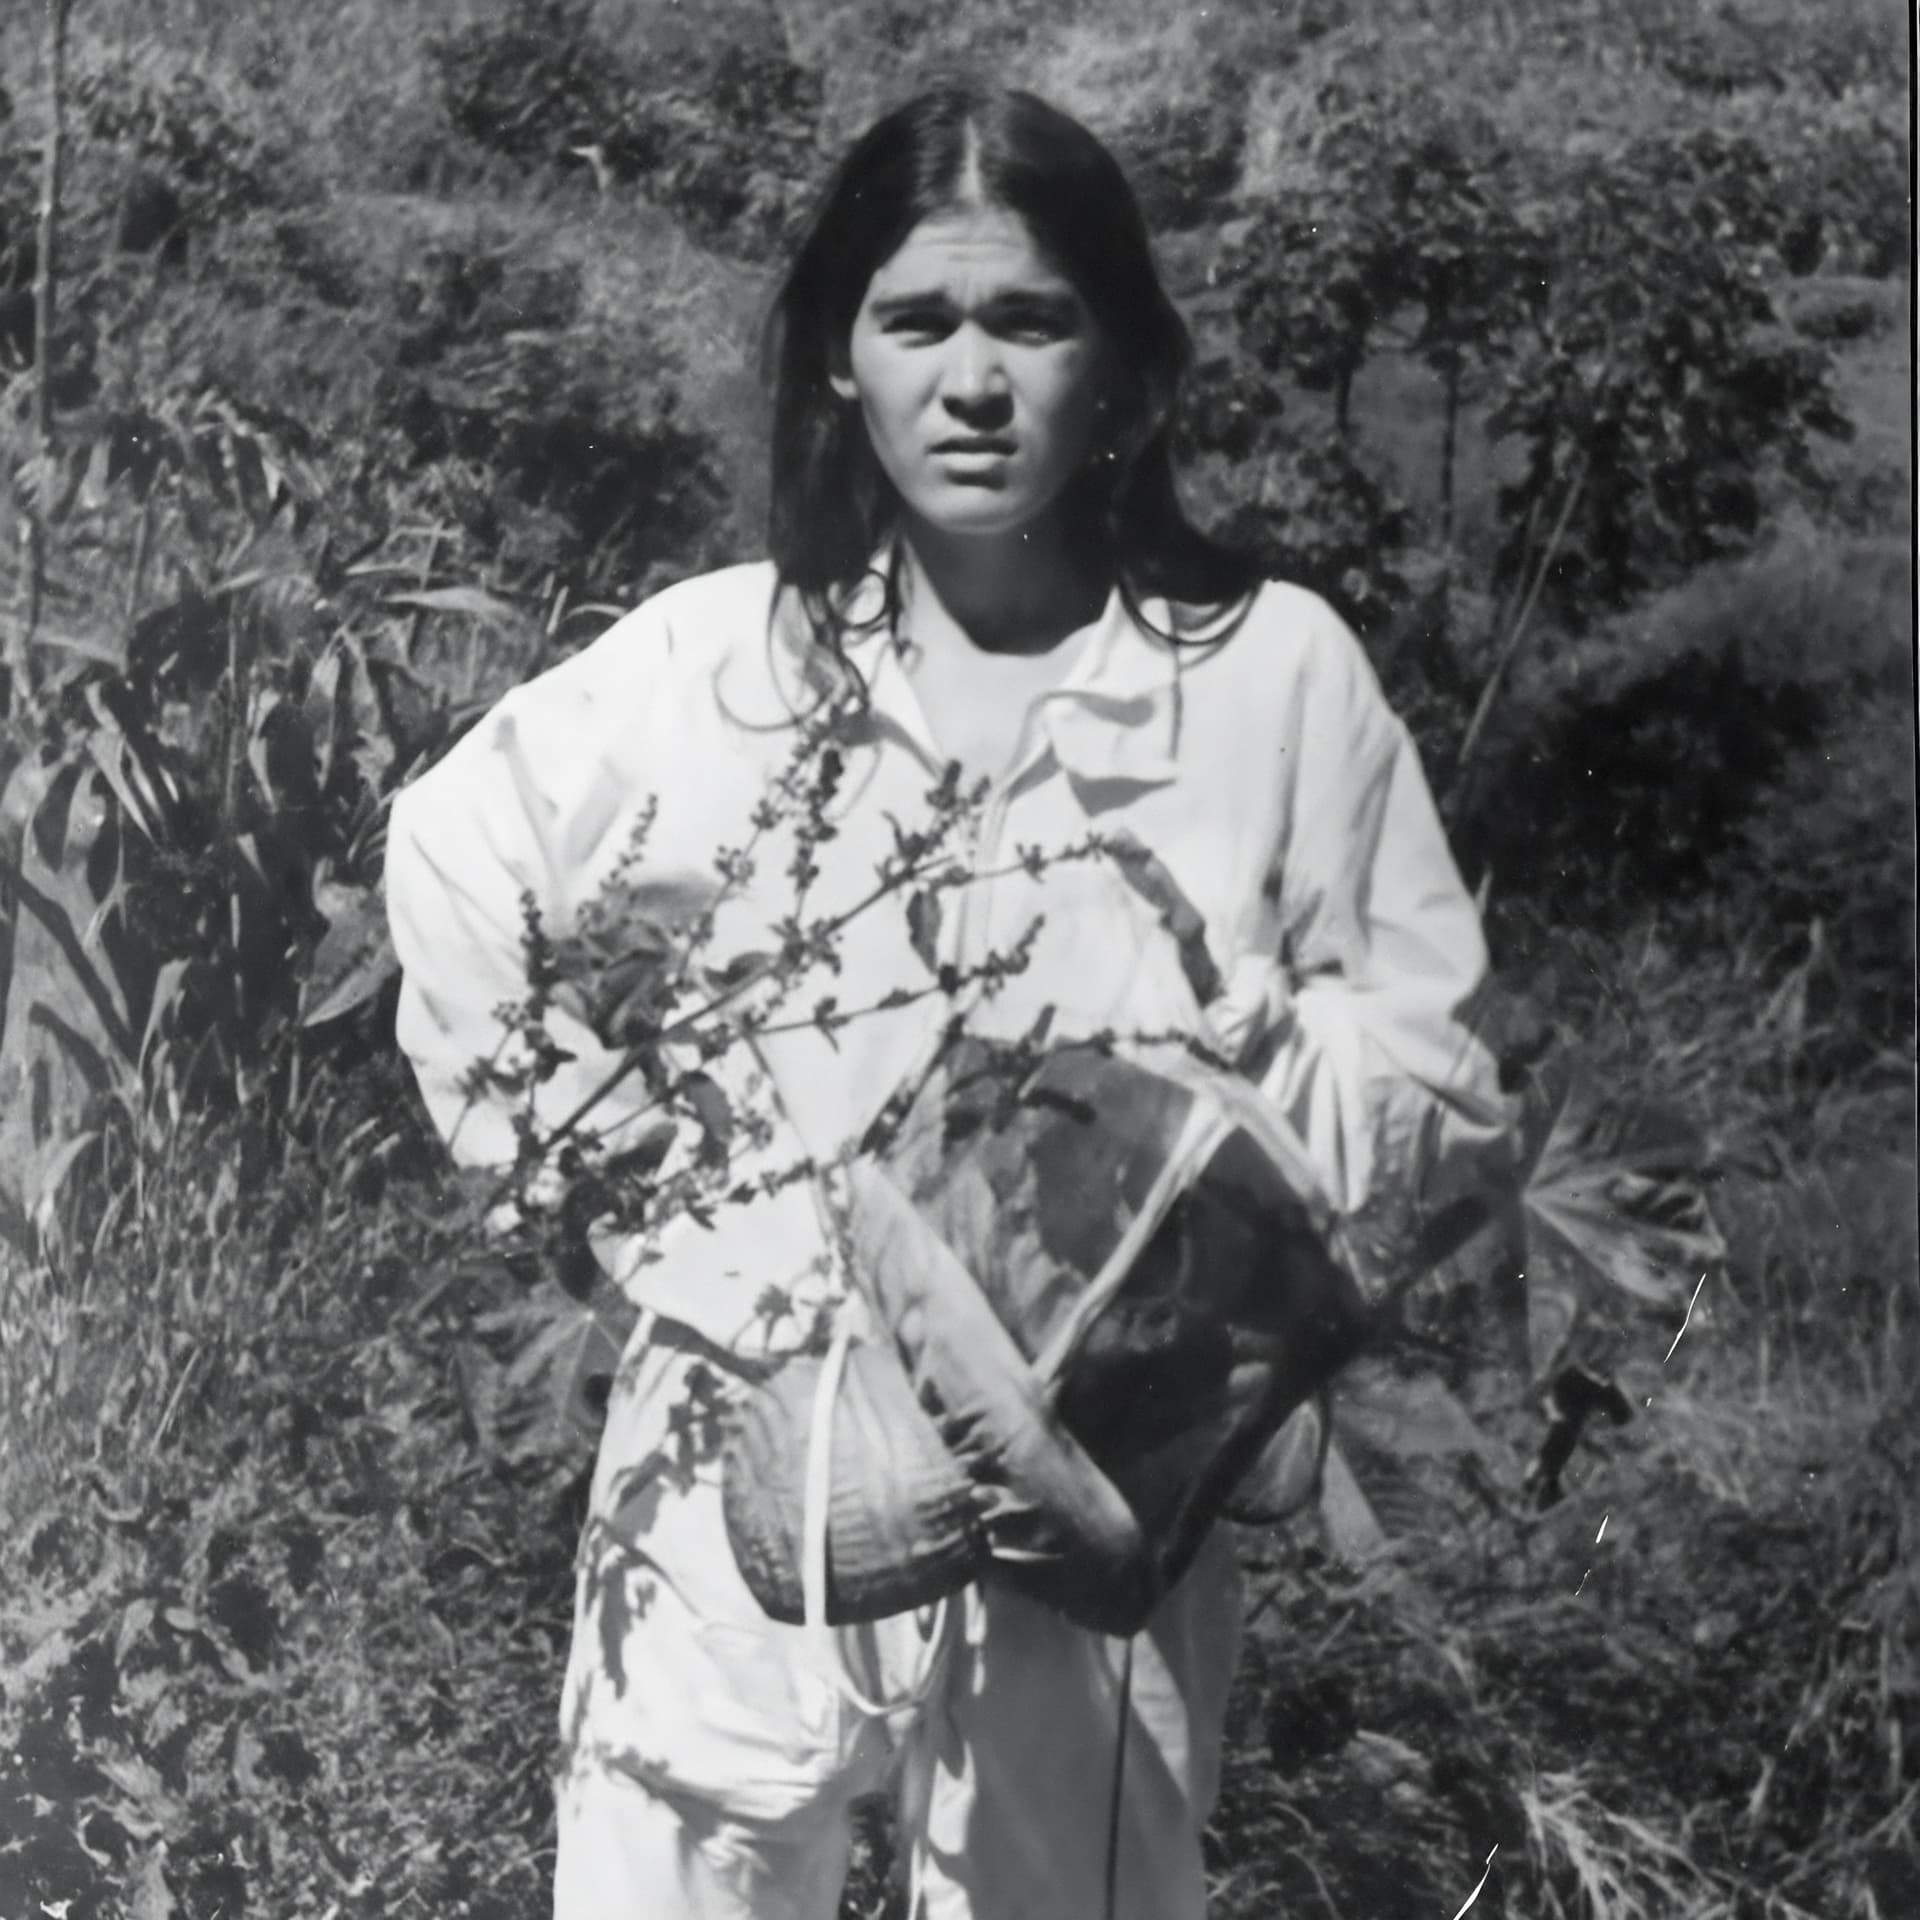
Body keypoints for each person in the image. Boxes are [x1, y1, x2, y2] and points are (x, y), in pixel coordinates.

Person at [385, 83, 1510, 1920]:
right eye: (917, 322)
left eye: (1030, 322)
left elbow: (1433, 1059)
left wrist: (1206, 1174)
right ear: (843, 360)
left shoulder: (1269, 681)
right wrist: (619, 1213)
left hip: (1101, 1479)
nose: (971, 382)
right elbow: (449, 866)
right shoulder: (726, 664)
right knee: (682, 1861)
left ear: (1127, 378)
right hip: (752, 1449)